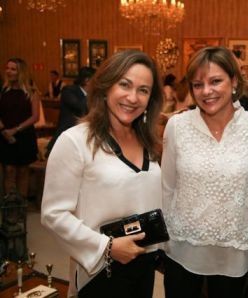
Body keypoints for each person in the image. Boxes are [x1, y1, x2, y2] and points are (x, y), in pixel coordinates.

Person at [41, 50, 164, 298]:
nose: (133, 97)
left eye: (143, 90)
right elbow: (53, 214)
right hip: (100, 268)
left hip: (144, 262)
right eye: (125, 85)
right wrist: (106, 247)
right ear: (106, 87)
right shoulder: (76, 141)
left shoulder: (148, 142)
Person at [161, 46, 248, 298]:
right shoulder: (177, 126)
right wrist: (163, 244)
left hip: (236, 255)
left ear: (234, 81)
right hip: (182, 252)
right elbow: (167, 188)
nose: (206, 91)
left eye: (215, 81)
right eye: (198, 84)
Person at [0, 58, 40, 198]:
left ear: (20, 72)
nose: (9, 71)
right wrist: (5, 131)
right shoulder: (3, 90)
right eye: (7, 68)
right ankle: (9, 206)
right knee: (9, 170)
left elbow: (35, 116)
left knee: (23, 171)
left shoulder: (31, 91)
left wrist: (15, 130)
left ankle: (21, 207)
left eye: (13, 69)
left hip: (24, 135)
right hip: (4, 135)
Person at [46, 66, 96, 156]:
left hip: (85, 136)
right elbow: (80, 106)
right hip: (67, 135)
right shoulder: (69, 90)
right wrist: (91, 93)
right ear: (87, 80)